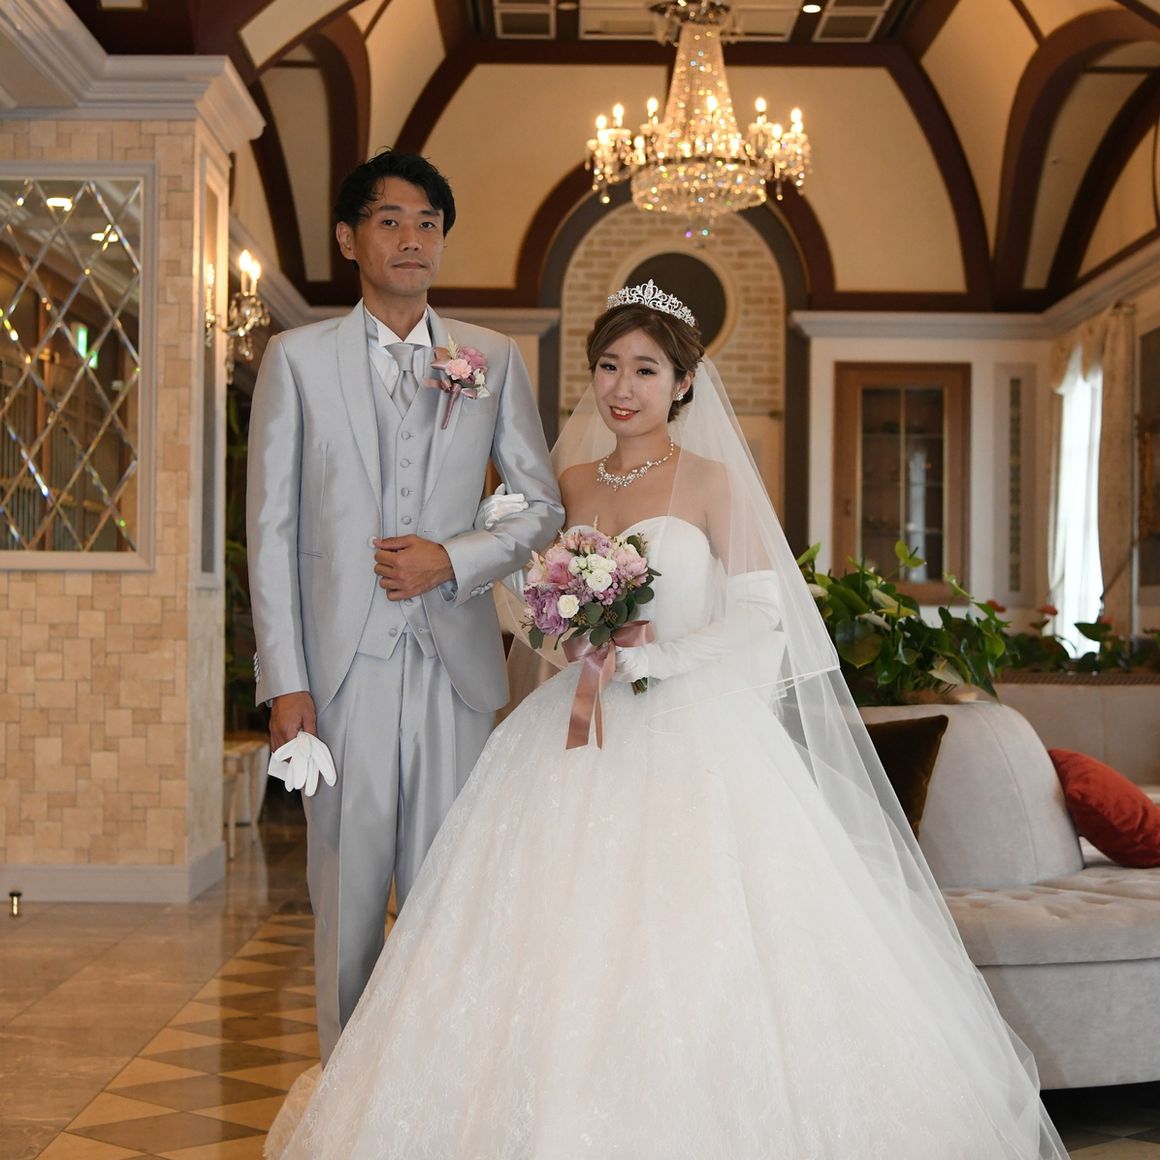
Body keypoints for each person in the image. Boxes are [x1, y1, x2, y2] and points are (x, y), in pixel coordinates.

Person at [266, 283, 1069, 1158]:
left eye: (646, 370)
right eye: (610, 366)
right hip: (571, 731)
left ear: (684, 384)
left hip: (692, 730)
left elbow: (761, 614)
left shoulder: (716, 483)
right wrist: (562, 630)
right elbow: (525, 606)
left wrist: (654, 660)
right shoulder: (566, 485)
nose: (623, 387)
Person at [246, 149, 563, 1065]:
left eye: (429, 224)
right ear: (351, 239)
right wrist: (285, 681)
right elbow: (270, 532)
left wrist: (453, 560)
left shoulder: (489, 358)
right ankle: (347, 1101)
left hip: (457, 671)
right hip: (339, 677)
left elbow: (541, 508)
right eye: (391, 221)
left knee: (448, 899)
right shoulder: (297, 360)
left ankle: (437, 1095)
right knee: (346, 902)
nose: (413, 239)